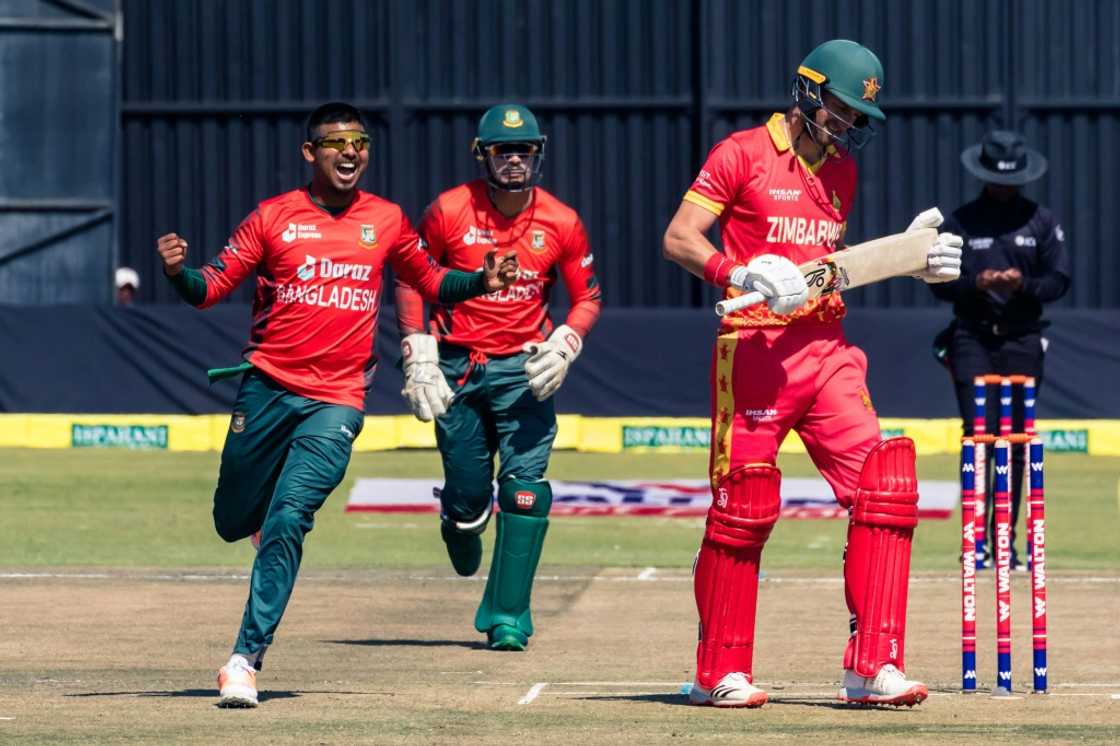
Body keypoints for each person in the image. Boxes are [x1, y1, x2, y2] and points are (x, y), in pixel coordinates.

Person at [155, 101, 519, 708]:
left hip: (338, 399)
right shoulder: (273, 217)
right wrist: (177, 273)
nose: (350, 152)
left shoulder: (386, 219)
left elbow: (432, 281)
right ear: (310, 152)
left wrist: (481, 281)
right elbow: (208, 288)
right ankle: (257, 522)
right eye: (336, 143)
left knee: (290, 517)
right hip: (268, 388)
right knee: (230, 520)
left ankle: (244, 658)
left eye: (360, 142)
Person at [662, 39, 964, 708]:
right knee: (744, 505)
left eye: (858, 116)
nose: (848, 124)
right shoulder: (741, 153)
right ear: (807, 91)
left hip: (827, 349)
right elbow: (679, 238)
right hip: (755, 350)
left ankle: (873, 667)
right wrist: (739, 272)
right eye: (841, 109)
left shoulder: (840, 171)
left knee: (885, 491)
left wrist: (905, 260)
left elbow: (829, 265)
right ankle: (719, 672)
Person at [394, 104, 601, 651]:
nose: (514, 161)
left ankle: (507, 617)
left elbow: (587, 297)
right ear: (481, 155)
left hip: (524, 369)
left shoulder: (561, 220)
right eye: (502, 151)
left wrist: (566, 342)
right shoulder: (448, 210)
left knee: (525, 491)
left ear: (538, 155)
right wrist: (417, 347)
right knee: (468, 502)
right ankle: (458, 518)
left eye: (523, 151)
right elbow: (411, 278)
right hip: (458, 366)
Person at [931, 130, 1070, 569]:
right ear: (984, 175)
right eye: (997, 180)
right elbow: (939, 282)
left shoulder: (1040, 221)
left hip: (1023, 339)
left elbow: (1059, 281)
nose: (1004, 188)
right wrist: (977, 283)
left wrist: (1021, 284)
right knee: (978, 437)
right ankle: (976, 541)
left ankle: (1005, 542)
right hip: (972, 338)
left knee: (1017, 441)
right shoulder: (962, 221)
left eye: (1011, 181)